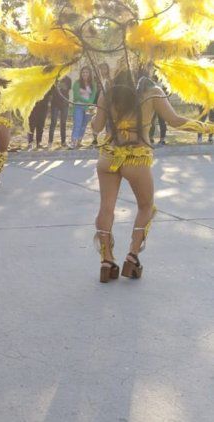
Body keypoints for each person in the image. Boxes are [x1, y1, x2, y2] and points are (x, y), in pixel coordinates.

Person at [91, 67, 214, 283]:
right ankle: (132, 256)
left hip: (108, 157)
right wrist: (208, 128)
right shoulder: (152, 91)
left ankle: (106, 261)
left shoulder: (106, 91)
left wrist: (98, 110)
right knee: (146, 206)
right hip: (136, 159)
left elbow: (96, 127)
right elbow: (176, 121)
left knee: (106, 208)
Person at [71, 67, 97, 148]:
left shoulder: (93, 84)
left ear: (90, 74)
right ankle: (73, 142)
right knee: (77, 124)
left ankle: (79, 141)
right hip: (78, 106)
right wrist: (87, 102)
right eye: (83, 72)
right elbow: (77, 96)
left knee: (83, 125)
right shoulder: (77, 83)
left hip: (88, 108)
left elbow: (93, 95)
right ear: (81, 74)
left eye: (87, 72)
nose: (85, 74)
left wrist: (89, 103)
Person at [48, 74, 72, 148]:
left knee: (63, 123)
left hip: (64, 104)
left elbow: (67, 90)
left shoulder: (68, 79)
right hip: (55, 104)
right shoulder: (54, 78)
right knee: (53, 122)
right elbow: (50, 92)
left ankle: (63, 142)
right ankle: (50, 142)